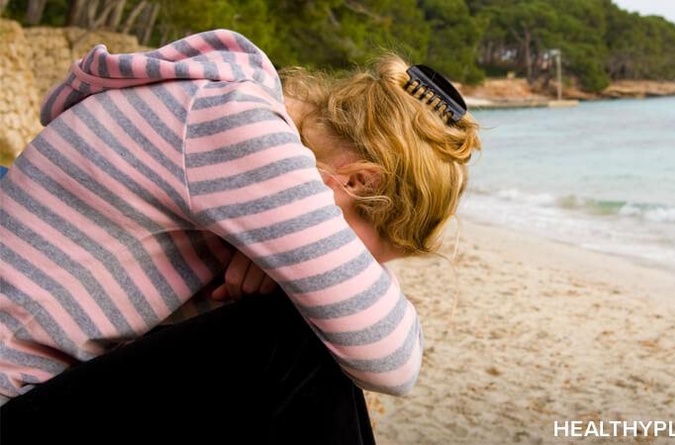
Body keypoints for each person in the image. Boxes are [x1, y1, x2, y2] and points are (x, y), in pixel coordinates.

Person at [0, 29, 480, 441]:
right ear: (357, 181)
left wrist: (289, 269)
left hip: (39, 393)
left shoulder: (217, 103)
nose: (357, 267)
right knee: (298, 335)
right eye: (361, 255)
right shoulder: (235, 121)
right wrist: (310, 279)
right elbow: (394, 360)